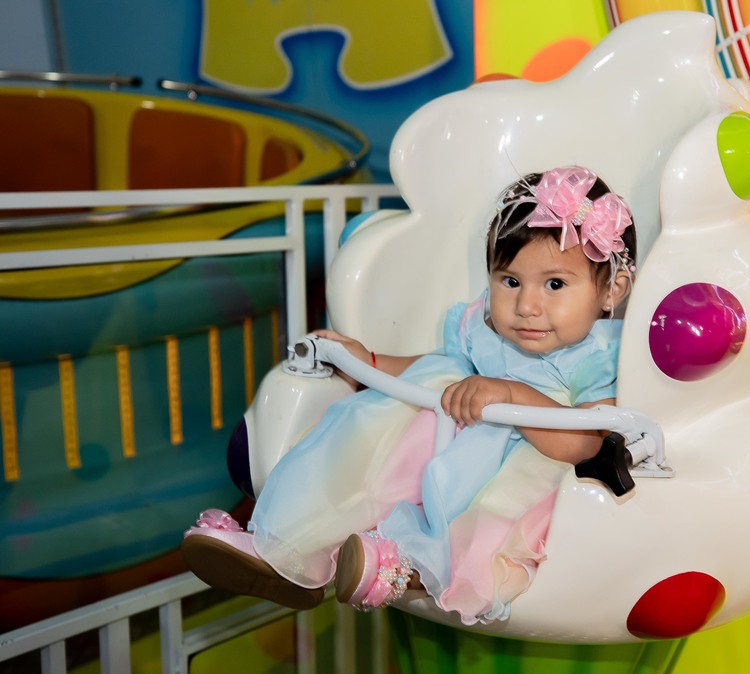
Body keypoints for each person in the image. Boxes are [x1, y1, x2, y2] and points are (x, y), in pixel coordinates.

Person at [182, 166, 636, 624]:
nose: (527, 305)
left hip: (517, 476)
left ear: (610, 290)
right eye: (510, 281)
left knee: (488, 520)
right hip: (442, 456)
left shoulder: (602, 355)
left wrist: (512, 395)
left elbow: (587, 442)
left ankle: (410, 566)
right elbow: (431, 365)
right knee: (385, 416)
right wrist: (369, 362)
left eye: (555, 284)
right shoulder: (483, 327)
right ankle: (284, 547)